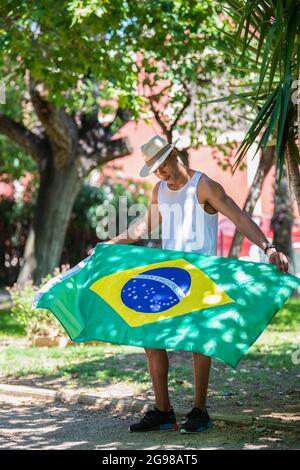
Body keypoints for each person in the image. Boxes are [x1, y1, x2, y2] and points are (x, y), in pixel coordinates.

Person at [89, 134, 289, 434]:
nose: (161, 172)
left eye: (163, 164)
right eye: (155, 169)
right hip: (170, 275)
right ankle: (163, 411)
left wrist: (268, 246)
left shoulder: (204, 185)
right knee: (151, 338)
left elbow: (238, 217)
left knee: (199, 343)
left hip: (200, 276)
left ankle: (200, 411)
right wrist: (109, 245)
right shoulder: (160, 190)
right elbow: (142, 227)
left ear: (175, 156)